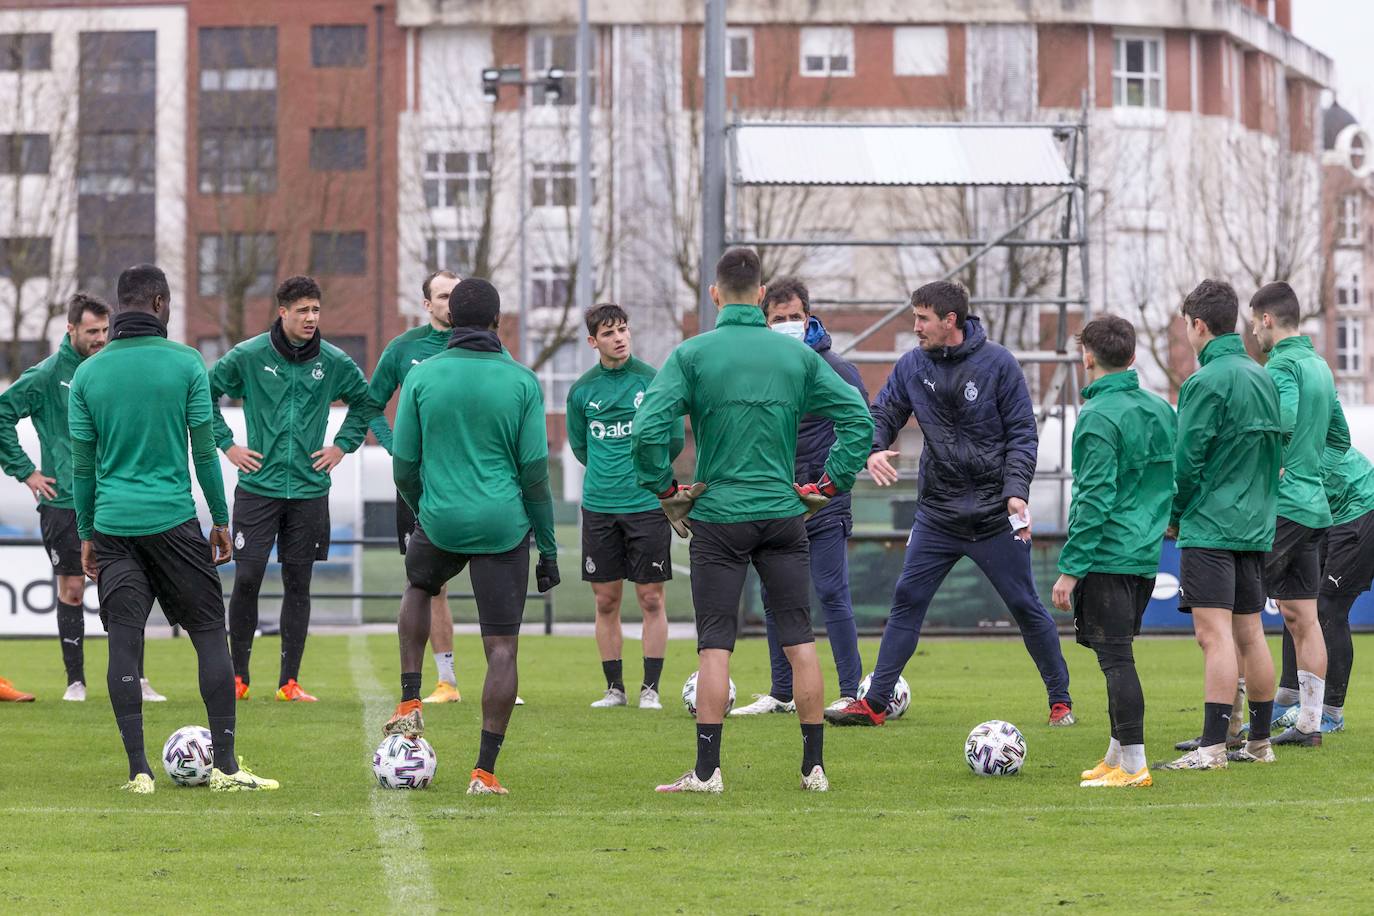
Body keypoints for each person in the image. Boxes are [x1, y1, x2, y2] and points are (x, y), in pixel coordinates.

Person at [633, 248, 873, 794]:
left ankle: (706, 772)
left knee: (716, 645)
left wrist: (668, 489)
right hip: (783, 515)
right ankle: (814, 768)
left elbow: (647, 431)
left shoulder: (692, 355)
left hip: (718, 517)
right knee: (799, 639)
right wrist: (829, 483)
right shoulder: (798, 358)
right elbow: (859, 417)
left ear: (715, 295)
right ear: (762, 296)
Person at [69, 264, 277, 793]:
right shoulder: (187, 363)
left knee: (124, 639)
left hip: (114, 526)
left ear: (118, 310)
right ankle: (227, 768)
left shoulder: (89, 374)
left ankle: (139, 771)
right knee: (209, 632)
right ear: (160, 304)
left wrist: (87, 533)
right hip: (172, 519)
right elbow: (204, 452)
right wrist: (222, 520)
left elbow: (82, 466)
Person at [827, 280, 1073, 727]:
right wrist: (874, 446)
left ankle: (1061, 701)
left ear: (950, 321)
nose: (915, 326)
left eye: (922, 318)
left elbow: (1022, 434)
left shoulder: (999, 365)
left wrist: (1015, 491)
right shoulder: (910, 367)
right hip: (938, 514)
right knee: (907, 599)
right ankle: (875, 703)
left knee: (1024, 605)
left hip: (995, 516)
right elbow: (883, 413)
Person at [383, 277, 559, 796]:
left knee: (419, 587)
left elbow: (404, 465)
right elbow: (534, 475)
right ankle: (484, 770)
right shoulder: (523, 382)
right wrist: (547, 547)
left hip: (440, 520)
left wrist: (424, 511)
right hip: (504, 525)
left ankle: (410, 699)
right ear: (497, 323)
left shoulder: (422, 376)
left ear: (450, 322)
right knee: (502, 648)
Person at [211, 275, 379, 702]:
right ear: (282, 311)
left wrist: (342, 446)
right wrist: (228, 445)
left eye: (316, 310)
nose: (310, 318)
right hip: (257, 488)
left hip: (308, 491)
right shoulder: (247, 356)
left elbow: (366, 402)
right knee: (246, 578)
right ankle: (238, 677)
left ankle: (289, 682)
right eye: (302, 310)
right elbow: (202, 393)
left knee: (298, 583)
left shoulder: (335, 361)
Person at [0, 293, 167, 703]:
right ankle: (76, 682)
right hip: (64, 504)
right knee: (72, 587)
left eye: (105, 330)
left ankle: (138, 679)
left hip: (115, 497)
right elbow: (2, 414)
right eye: (92, 331)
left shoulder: (114, 367)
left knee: (131, 587)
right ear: (70, 329)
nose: (100, 338)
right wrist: (27, 472)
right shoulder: (45, 375)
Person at [1160, 279, 1282, 771]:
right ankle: (1259, 743)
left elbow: (1185, 462)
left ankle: (1212, 749)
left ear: (1198, 325)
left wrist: (1173, 517)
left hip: (1210, 525)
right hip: (1255, 526)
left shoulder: (1203, 382)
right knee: (1251, 634)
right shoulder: (1264, 377)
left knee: (1215, 637)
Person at [733, 277, 868, 716]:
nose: (788, 324)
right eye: (778, 318)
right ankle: (782, 692)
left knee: (832, 593)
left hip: (824, 502)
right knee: (776, 598)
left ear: (808, 318)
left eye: (795, 317)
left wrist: (828, 484)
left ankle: (851, 692)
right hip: (776, 501)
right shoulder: (756, 367)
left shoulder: (835, 367)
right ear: (764, 320)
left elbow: (859, 424)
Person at [1050, 316, 1175, 788]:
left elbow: (1094, 498)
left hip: (1108, 555)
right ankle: (1116, 754)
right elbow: (1173, 481)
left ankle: (1133, 766)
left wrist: (1070, 569)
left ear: (1086, 357)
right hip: (1144, 556)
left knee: (1116, 661)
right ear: (1132, 356)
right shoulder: (1162, 409)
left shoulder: (1098, 417)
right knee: (1116, 656)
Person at [1249, 281, 1349, 746]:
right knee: (1300, 615)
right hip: (1314, 509)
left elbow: (1281, 422)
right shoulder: (1321, 366)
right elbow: (1340, 440)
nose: (1252, 332)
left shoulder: (1283, 364)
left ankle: (1238, 725)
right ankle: (1310, 723)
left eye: (1254, 322)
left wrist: (1282, 472)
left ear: (1268, 319)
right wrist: (1308, 472)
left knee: (1236, 609)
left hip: (1282, 508)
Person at [567, 303, 682, 710]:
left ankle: (650, 689)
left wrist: (648, 476)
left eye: (623, 330)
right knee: (606, 601)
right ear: (592, 341)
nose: (619, 338)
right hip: (599, 506)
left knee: (651, 597)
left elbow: (673, 441)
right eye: (609, 332)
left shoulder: (653, 381)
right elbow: (582, 448)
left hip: (645, 504)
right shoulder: (582, 390)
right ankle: (614, 689)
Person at [369, 269, 463, 704]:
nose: (450, 303)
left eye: (456, 296)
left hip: (472, 480)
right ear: (427, 305)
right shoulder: (404, 349)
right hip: (420, 487)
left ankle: (505, 676)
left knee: (493, 579)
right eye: (442, 296)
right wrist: (396, 449)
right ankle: (446, 682)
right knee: (430, 583)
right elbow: (371, 405)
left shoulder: (482, 347)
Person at [1313, 446, 1374, 731]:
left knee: (1328, 609)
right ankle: (1293, 702)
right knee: (1300, 605)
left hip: (1359, 508)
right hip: (1334, 512)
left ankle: (1332, 714)